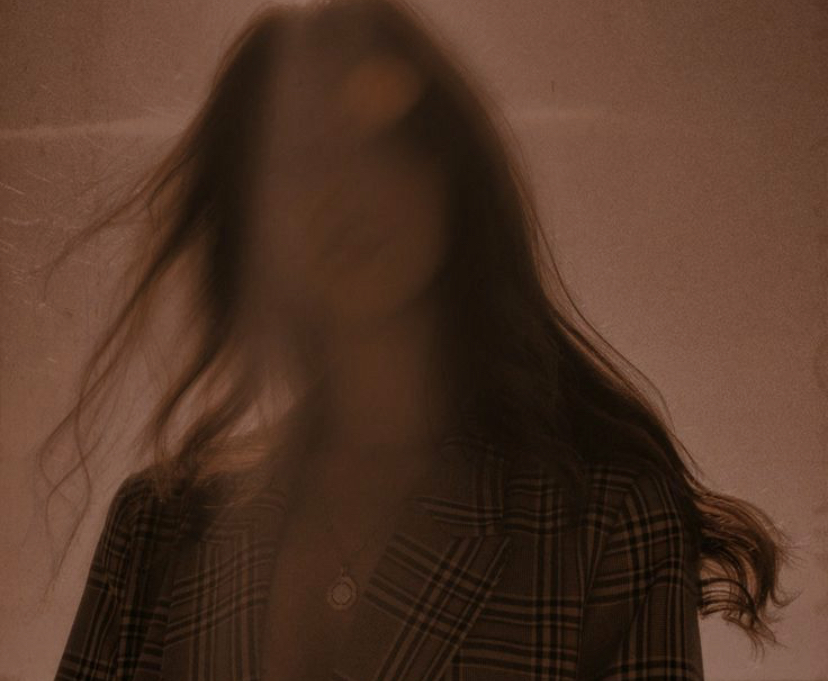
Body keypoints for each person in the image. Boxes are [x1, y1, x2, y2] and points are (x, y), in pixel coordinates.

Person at [46, 0, 788, 679]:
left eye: (383, 136)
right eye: (300, 154)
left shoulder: (603, 521)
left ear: (452, 173)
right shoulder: (156, 531)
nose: (344, 187)